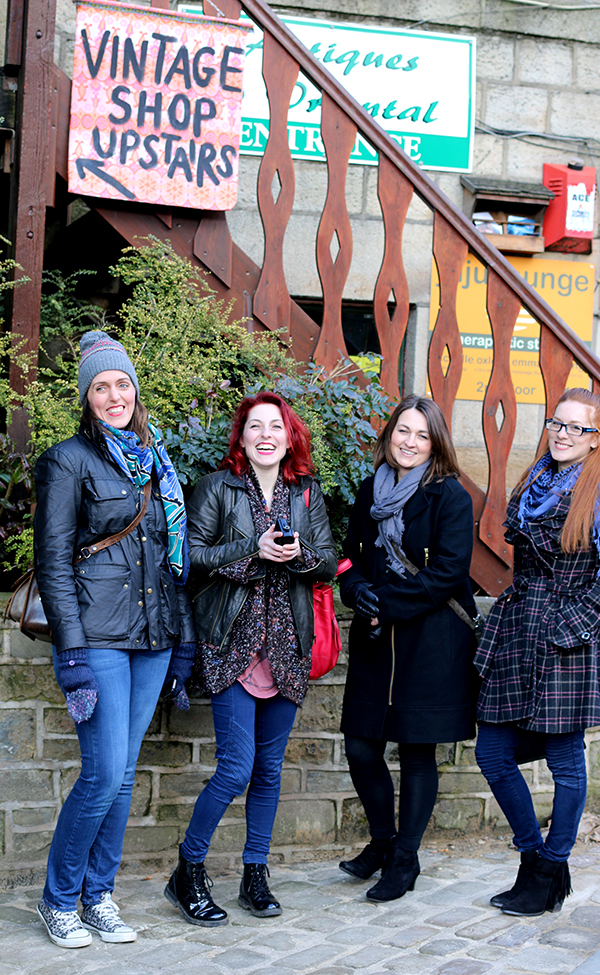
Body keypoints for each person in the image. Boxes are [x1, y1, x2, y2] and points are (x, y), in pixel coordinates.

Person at [33, 331, 196, 948]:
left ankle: (99, 894)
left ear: (135, 390)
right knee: (101, 774)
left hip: (152, 637)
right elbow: (53, 562)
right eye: (100, 386)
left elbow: (171, 558)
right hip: (96, 636)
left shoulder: (158, 462)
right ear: (86, 398)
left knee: (124, 775)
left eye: (121, 383)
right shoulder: (67, 460)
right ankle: (59, 898)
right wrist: (71, 652)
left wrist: (179, 640)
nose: (113, 395)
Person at [165, 391, 337, 926]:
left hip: (287, 647)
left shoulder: (306, 493)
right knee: (236, 766)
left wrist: (299, 555)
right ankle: (187, 871)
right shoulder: (219, 488)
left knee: (267, 770)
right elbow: (190, 558)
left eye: (276, 427)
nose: (266, 434)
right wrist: (252, 550)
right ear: (241, 437)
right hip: (232, 643)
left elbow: (329, 563)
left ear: (290, 438)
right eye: (255, 426)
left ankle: (254, 874)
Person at [474, 388, 600, 918]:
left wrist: (566, 628)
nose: (564, 434)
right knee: (492, 754)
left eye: (578, 428)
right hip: (518, 630)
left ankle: (549, 869)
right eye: (557, 424)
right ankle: (535, 860)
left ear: (598, 440)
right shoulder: (535, 481)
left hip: (567, 638)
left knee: (567, 763)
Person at [338, 395, 479, 902]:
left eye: (421, 435)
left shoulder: (450, 497)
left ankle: (405, 858)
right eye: (403, 431)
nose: (410, 442)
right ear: (389, 434)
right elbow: (349, 559)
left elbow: (447, 574)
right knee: (360, 747)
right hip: (376, 643)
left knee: (418, 753)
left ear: (435, 442)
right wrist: (355, 592)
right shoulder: (367, 491)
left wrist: (386, 605)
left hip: (430, 642)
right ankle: (382, 840)